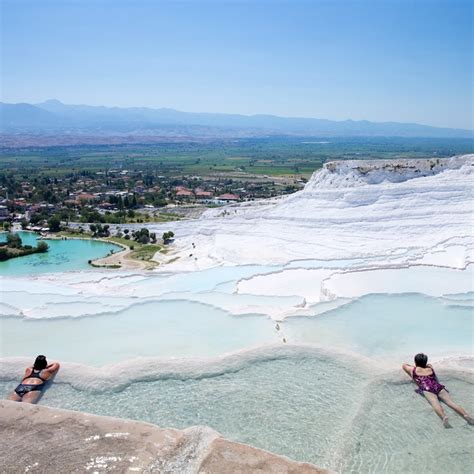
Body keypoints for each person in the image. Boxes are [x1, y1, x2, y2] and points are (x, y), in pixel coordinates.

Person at [402, 353, 474, 428]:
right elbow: (429, 364)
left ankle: (444, 417)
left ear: (415, 362)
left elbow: (404, 365)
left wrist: (415, 366)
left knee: (435, 404)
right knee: (450, 402)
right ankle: (466, 415)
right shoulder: (430, 368)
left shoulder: (412, 369)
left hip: (427, 388)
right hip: (438, 386)